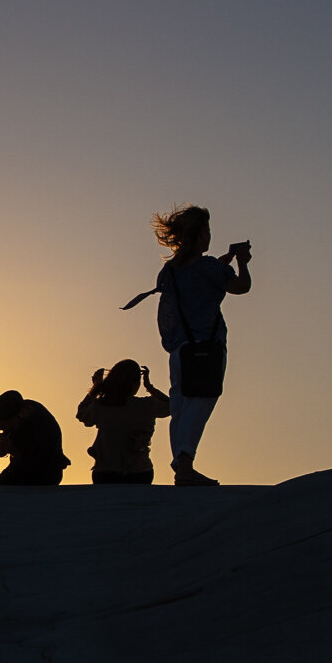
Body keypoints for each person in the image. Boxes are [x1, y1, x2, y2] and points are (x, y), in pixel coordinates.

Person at [135, 204, 253, 486]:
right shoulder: (210, 267)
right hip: (207, 347)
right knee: (202, 400)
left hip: (179, 349)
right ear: (199, 236)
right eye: (207, 231)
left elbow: (194, 280)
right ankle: (185, 463)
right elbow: (241, 287)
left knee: (180, 404)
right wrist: (243, 261)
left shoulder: (169, 271)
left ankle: (181, 464)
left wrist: (220, 262)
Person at [74, 360, 171, 485]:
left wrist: (96, 387)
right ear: (136, 384)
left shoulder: (102, 406)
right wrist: (149, 387)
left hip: (105, 472)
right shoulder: (147, 405)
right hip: (140, 472)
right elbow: (171, 406)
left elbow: (81, 414)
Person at [0, 391, 69, 486]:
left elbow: (34, 464)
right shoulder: (17, 421)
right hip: (22, 467)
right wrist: (3, 448)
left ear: (21, 414)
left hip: (45, 472)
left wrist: (12, 450)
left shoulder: (41, 427)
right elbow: (1, 451)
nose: (6, 428)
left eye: (9, 423)